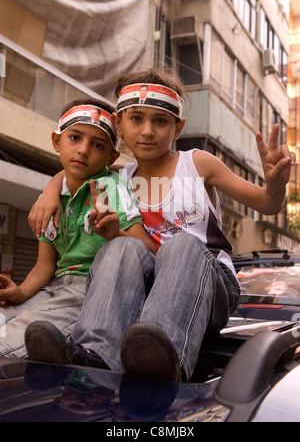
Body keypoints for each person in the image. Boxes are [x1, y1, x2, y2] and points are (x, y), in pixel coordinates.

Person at [25, 69, 295, 382]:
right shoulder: (116, 178)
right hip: (147, 290)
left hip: (207, 287)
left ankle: (165, 357)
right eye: (136, 119)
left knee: (180, 245)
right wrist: (50, 191)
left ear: (178, 126)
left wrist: (275, 185)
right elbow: (73, 170)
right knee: (121, 245)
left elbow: (266, 202)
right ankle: (95, 357)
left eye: (161, 120)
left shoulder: (197, 164)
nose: (148, 131)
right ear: (119, 124)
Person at [0, 97, 154, 359]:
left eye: (97, 145)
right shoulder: (49, 199)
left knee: (9, 341)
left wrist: (116, 233)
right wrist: (19, 292)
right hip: (51, 290)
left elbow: (147, 250)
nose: (83, 150)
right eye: (75, 138)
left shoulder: (111, 188)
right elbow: (45, 266)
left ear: (111, 156)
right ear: (57, 141)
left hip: (87, 292)